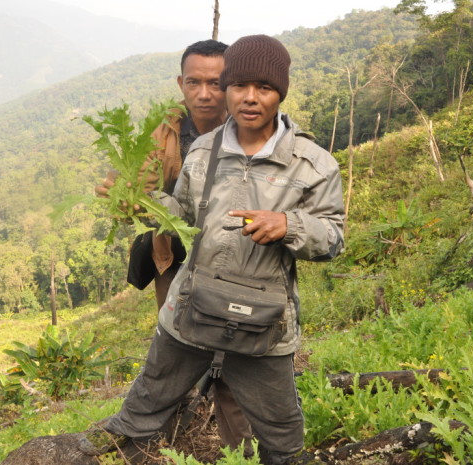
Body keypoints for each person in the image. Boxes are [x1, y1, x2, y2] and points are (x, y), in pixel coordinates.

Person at [91, 35, 345, 465]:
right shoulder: (204, 151)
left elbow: (333, 238)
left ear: (280, 93)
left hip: (263, 322)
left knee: (282, 437)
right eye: (240, 86)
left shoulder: (313, 164)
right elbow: (187, 218)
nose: (250, 98)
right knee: (142, 410)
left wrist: (289, 225)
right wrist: (145, 201)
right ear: (229, 90)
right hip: (192, 306)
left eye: (263, 88)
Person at [91, 39, 253, 452]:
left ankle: (243, 449)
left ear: (231, 83)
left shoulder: (251, 128)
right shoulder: (162, 132)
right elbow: (135, 190)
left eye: (216, 83)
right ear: (181, 83)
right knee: (175, 344)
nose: (204, 93)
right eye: (194, 82)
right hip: (174, 258)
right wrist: (122, 197)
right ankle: (160, 442)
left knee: (233, 356)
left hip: (237, 261)